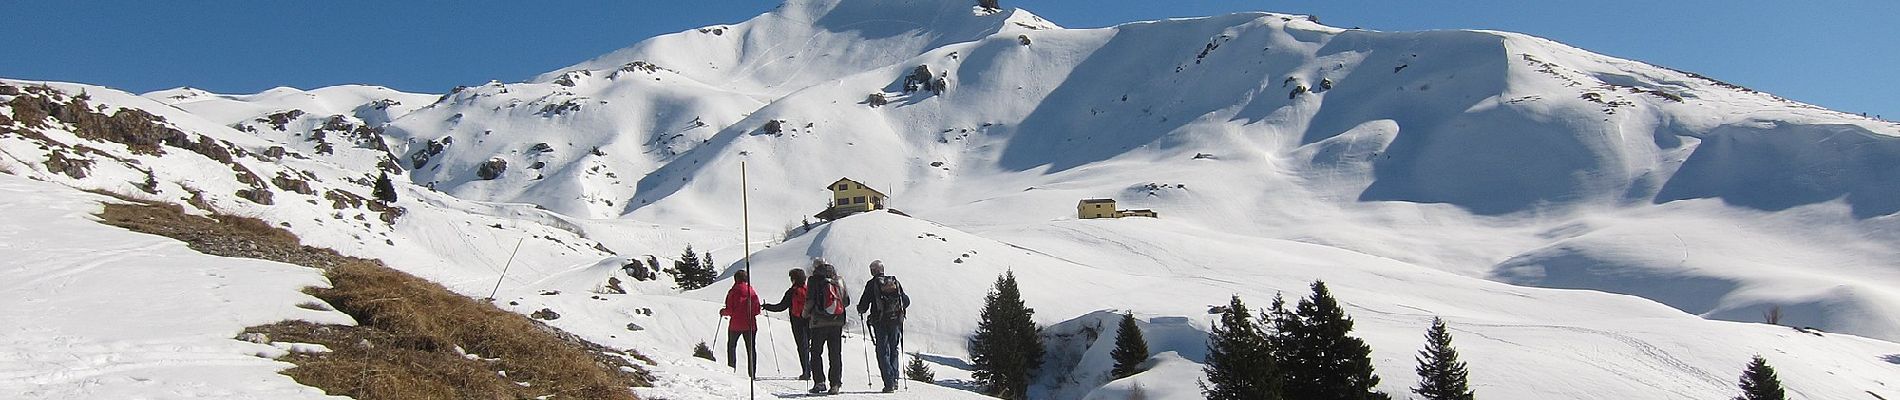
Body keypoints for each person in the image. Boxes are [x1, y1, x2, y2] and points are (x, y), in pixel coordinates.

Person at [857, 260, 911, 392]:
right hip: (895, 322)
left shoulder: (872, 284)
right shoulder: (894, 281)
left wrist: (860, 309)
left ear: (873, 271)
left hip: (880, 322)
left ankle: (888, 383)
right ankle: (895, 380)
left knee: (882, 351)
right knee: (894, 349)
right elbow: (906, 301)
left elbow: (863, 304)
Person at [803, 258, 850, 394]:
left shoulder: (813, 280)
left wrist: (805, 314)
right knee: (835, 353)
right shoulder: (839, 279)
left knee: (816, 352)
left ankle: (819, 382)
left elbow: (810, 300)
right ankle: (835, 384)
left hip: (819, 322)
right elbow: (846, 301)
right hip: (837, 321)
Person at [761, 268, 811, 380]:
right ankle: (812, 370)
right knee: (809, 347)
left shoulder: (792, 292)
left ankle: (806, 371)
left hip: (797, 322)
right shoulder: (809, 290)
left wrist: (767, 306)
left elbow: (781, 307)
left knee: (802, 347)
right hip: (810, 321)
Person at [719, 269, 762, 378]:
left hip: (735, 325)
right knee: (751, 349)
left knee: (732, 346)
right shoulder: (751, 291)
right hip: (750, 324)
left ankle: (731, 370)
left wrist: (722, 312)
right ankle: (752, 374)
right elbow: (757, 310)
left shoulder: (733, 291)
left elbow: (730, 310)